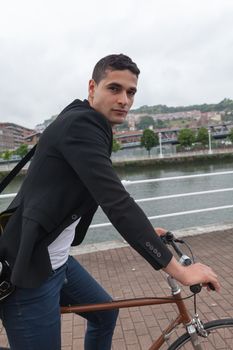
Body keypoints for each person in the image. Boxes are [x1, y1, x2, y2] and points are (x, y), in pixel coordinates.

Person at [0, 54, 220, 350]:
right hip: (30, 271)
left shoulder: (86, 121)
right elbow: (116, 201)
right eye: (114, 88)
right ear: (92, 88)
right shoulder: (81, 126)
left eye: (131, 92)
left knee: (105, 313)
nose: (124, 100)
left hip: (58, 261)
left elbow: (97, 194)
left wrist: (145, 230)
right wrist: (179, 270)